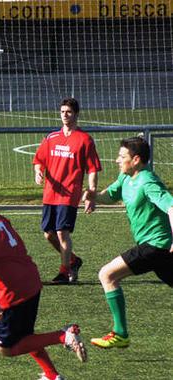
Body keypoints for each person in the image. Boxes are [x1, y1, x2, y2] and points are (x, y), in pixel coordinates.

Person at [0, 183, 86, 380]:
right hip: (31, 279)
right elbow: (9, 245)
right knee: (26, 335)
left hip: (12, 290)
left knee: (6, 348)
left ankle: (64, 336)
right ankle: (52, 376)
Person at [85, 137, 173, 349]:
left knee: (107, 274)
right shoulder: (126, 179)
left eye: (122, 157)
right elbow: (110, 196)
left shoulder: (147, 181)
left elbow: (171, 207)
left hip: (156, 245)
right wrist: (93, 196)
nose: (117, 160)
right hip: (153, 247)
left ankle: (120, 333)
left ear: (136, 160)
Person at [32, 98, 101, 284]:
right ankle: (73, 260)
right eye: (62, 111)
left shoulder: (84, 140)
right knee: (49, 234)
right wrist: (38, 171)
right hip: (50, 193)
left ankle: (65, 272)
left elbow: (93, 169)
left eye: (68, 112)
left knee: (62, 232)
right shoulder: (51, 138)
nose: (65, 115)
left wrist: (91, 193)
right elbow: (39, 160)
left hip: (69, 194)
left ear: (76, 114)